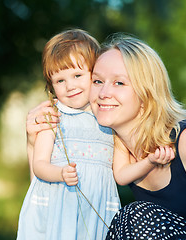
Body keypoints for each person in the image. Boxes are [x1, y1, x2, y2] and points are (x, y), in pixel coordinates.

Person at [87, 34, 186, 239]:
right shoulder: (114, 146)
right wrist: (40, 126)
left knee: (134, 217)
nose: (103, 92)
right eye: (97, 81)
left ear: (147, 92)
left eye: (119, 83)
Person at [17, 29, 121, 240]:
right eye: (60, 81)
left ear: (95, 74)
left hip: (98, 206)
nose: (70, 86)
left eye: (77, 75)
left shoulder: (108, 115)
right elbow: (39, 164)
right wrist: (60, 174)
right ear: (51, 85)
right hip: (60, 204)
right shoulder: (53, 115)